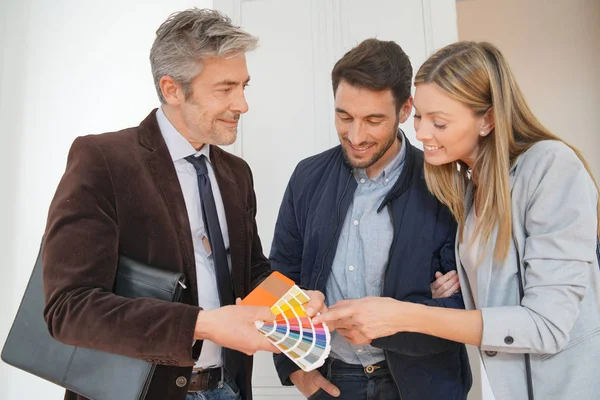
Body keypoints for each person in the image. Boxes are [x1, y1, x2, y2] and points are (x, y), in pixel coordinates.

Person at [42, 9, 325, 400]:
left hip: (227, 388)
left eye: (244, 86)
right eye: (225, 89)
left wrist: (294, 302)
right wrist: (202, 324)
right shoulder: (102, 161)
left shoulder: (236, 173)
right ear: (172, 89)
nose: (242, 104)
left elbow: (251, 271)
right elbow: (69, 310)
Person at [315, 41, 600, 400]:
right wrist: (444, 294)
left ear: (488, 119)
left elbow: (546, 325)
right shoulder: (465, 187)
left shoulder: (551, 167)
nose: (420, 133)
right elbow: (494, 297)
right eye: (419, 117)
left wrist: (403, 314)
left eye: (439, 122)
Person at [269, 38, 472, 400]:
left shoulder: (447, 182)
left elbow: (466, 302)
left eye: (373, 120)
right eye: (344, 116)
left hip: (425, 383)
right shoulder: (307, 177)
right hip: (334, 381)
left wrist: (410, 315)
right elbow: (279, 277)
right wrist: (294, 368)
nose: (356, 135)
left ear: (406, 109)